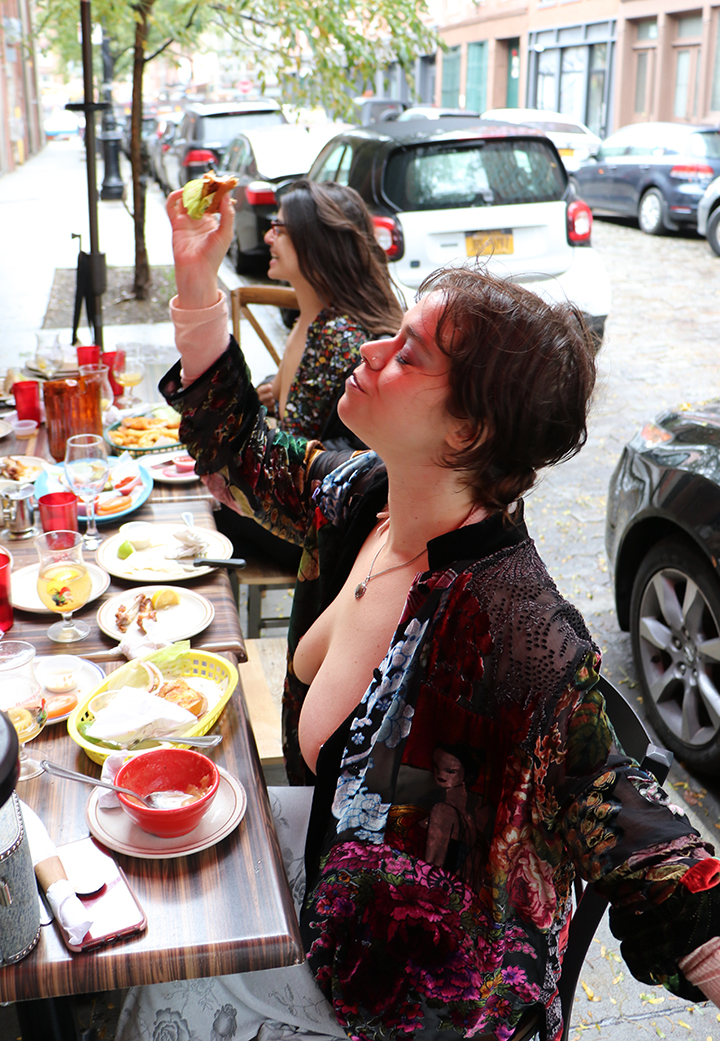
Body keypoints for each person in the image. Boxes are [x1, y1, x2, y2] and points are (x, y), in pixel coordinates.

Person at [117, 188, 720, 1041]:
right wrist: (195, 278)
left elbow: (645, 844)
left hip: (409, 1008)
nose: (370, 348)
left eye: (407, 352)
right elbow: (244, 450)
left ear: (466, 433)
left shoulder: (517, 633)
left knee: (138, 990)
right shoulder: (366, 495)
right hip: (332, 900)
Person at [215, 179, 404, 568]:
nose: (267, 237)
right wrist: (272, 392)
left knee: (208, 513)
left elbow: (332, 452)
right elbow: (305, 412)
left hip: (317, 527)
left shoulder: (340, 336)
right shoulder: (312, 318)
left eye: (278, 228)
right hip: (297, 496)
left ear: (315, 242)